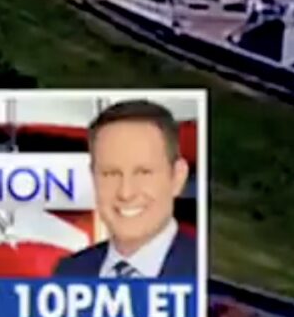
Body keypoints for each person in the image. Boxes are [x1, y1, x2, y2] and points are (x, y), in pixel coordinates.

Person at [53, 99, 197, 280]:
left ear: (177, 177)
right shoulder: (69, 272)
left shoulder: (206, 270)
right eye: (110, 173)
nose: (125, 193)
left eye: (143, 172)